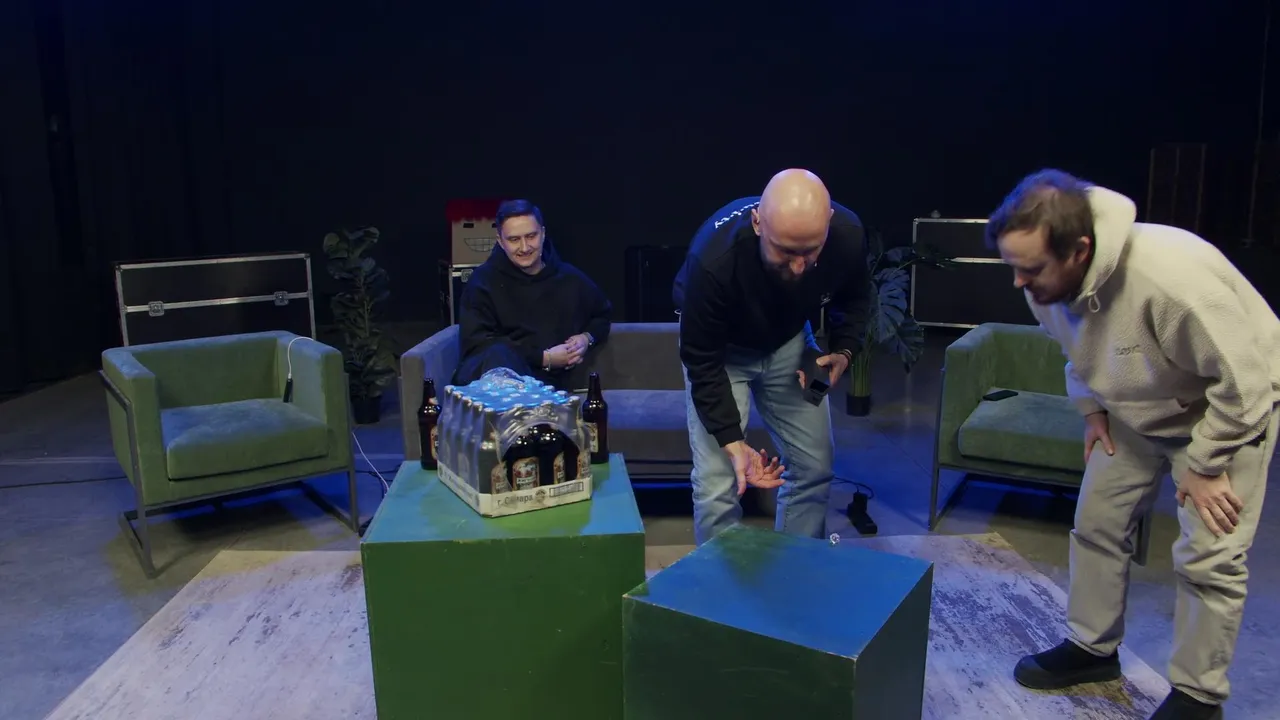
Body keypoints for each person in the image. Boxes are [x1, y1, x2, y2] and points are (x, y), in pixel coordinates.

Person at [988, 169, 1280, 720]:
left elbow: (1247, 386)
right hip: (1136, 406)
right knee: (1098, 522)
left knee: (1210, 558)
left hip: (1226, 411)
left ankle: (1198, 697)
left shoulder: (1171, 280)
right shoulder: (1044, 282)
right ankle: (1091, 649)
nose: (1019, 283)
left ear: (1080, 250)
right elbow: (1075, 348)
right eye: (1013, 267)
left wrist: (1206, 463)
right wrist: (1092, 409)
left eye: (1031, 269)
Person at [673, 168, 871, 546]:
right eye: (786, 252)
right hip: (722, 352)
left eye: (809, 251)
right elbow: (701, 358)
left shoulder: (846, 234)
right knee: (720, 483)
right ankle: (718, 581)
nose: (798, 267)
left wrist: (844, 350)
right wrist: (731, 439)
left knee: (814, 468)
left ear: (828, 223)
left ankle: (796, 569)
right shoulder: (713, 260)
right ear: (757, 223)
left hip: (788, 340)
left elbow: (857, 296)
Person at [453, 199, 612, 389]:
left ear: (543, 234)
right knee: (497, 354)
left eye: (531, 236)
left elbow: (602, 315)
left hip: (549, 386)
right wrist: (545, 358)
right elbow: (480, 344)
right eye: (514, 239)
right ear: (500, 242)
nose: (524, 247)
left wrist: (586, 338)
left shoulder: (569, 278)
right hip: (495, 383)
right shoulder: (482, 282)